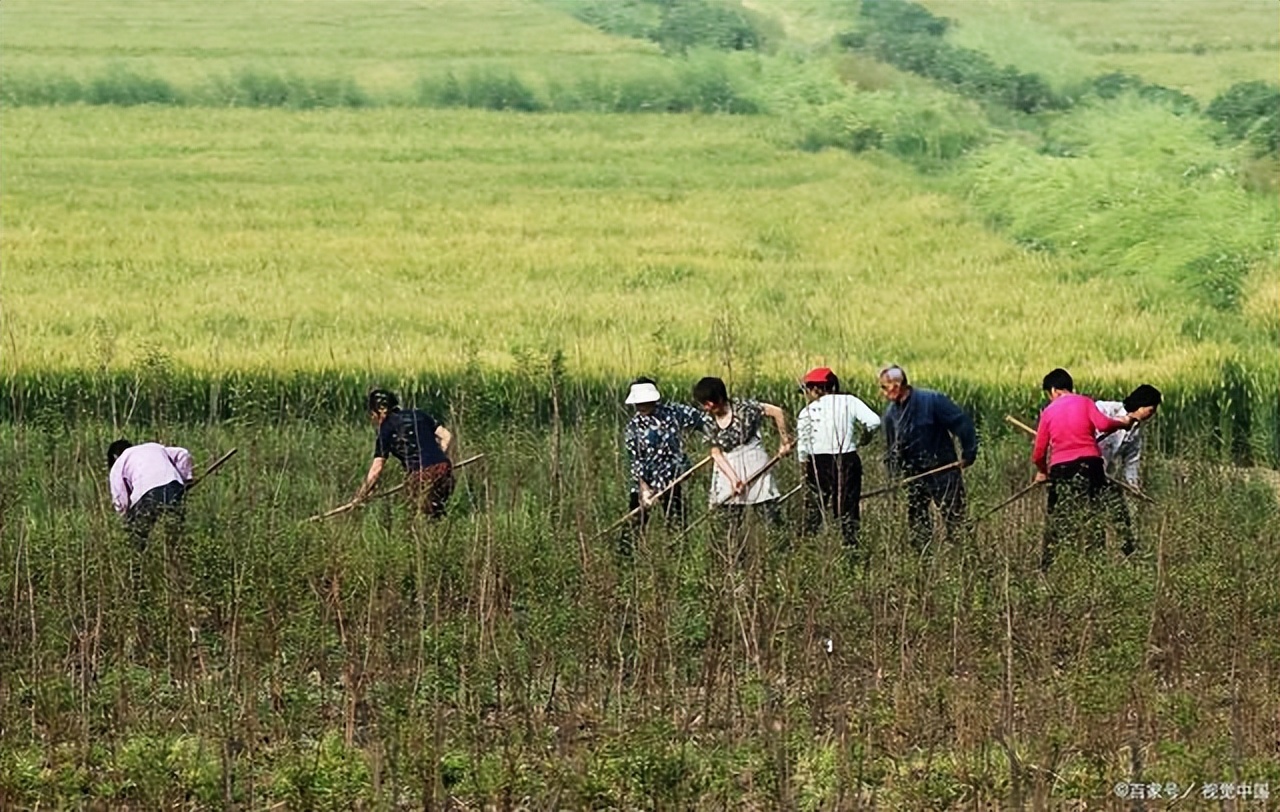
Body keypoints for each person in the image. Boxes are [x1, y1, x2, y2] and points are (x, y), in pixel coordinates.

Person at [1032, 368, 1140, 567]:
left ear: (1054, 390)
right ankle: (1097, 563)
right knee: (1095, 514)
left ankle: (1047, 566)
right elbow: (1104, 424)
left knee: (1056, 519)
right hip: (1092, 465)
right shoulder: (1085, 402)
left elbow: (1039, 452)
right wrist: (1122, 424)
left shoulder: (1048, 412)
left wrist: (1042, 471)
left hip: (1062, 469)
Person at [877, 364, 978, 549]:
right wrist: (893, 477)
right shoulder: (891, 414)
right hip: (914, 474)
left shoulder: (932, 400)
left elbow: (962, 423)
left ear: (896, 386)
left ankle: (963, 555)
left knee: (955, 517)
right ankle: (923, 558)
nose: (882, 393)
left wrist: (968, 453)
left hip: (943, 469)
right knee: (917, 521)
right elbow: (891, 449)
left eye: (884, 387)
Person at [796, 367, 881, 548]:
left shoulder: (806, 412)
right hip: (846, 459)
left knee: (814, 508)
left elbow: (803, 448)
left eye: (808, 390)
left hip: (817, 462)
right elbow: (874, 421)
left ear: (816, 389)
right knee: (847, 507)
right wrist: (865, 437)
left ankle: (807, 545)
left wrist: (805, 471)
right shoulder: (849, 401)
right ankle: (850, 546)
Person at [692, 376, 792, 524]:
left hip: (755, 462)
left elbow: (777, 412)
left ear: (719, 398)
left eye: (709, 403)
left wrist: (785, 441)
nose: (707, 407)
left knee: (770, 518)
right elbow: (716, 453)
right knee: (726, 522)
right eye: (704, 404)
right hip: (727, 468)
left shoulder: (744, 408)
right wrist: (734, 480)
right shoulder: (708, 420)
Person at [622, 377, 705, 543]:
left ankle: (677, 552)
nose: (642, 406)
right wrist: (644, 488)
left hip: (672, 479)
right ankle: (626, 555)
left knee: (676, 522)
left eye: (645, 402)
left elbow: (703, 421)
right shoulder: (633, 427)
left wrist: (718, 439)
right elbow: (635, 460)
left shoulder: (673, 413)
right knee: (635, 523)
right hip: (645, 481)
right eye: (639, 403)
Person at [351, 389, 454, 518]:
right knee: (437, 513)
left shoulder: (386, 429)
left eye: (372, 414)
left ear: (381, 411)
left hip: (421, 475)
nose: (373, 418)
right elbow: (447, 436)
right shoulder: (419, 414)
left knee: (415, 516)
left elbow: (377, 468)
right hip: (444, 468)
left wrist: (362, 495)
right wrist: (437, 458)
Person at [1094, 383, 1162, 555]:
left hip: (1107, 476)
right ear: (1141, 405)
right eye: (1151, 410)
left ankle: (1130, 555)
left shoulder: (1136, 431)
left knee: (1121, 515)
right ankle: (1095, 554)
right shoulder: (1105, 409)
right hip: (1087, 469)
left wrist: (1133, 487)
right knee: (1094, 517)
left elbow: (1131, 461)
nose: (1152, 414)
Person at [108, 439, 194, 546]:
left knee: (136, 537)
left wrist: (125, 520)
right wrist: (184, 481)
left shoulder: (119, 463)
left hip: (146, 494)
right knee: (174, 531)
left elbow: (121, 501)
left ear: (115, 457)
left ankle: (138, 555)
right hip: (173, 486)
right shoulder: (154, 447)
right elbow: (183, 454)